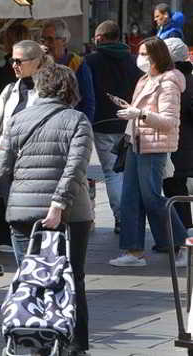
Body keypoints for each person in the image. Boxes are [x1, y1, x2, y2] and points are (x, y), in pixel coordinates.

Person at [0, 63, 93, 356]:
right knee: (72, 278)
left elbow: (2, 168)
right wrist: (59, 203)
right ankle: (74, 343)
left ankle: (33, 337)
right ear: (70, 89)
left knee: (30, 277)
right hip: (71, 215)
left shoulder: (18, 120)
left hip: (23, 214)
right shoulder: (78, 121)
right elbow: (76, 168)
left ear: (40, 87)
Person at [108, 37, 188, 268]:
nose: (139, 58)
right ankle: (133, 252)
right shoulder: (145, 79)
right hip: (137, 143)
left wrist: (139, 114)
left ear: (156, 56)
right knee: (131, 197)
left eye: (144, 54)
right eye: (139, 53)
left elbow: (169, 121)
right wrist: (131, 114)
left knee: (152, 197)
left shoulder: (168, 83)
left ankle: (183, 242)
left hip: (155, 147)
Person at [0, 40, 53, 252]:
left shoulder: (48, 89)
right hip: (6, 159)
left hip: (35, 161)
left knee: (31, 210)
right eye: (12, 60)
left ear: (36, 62)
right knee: (11, 208)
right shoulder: (10, 89)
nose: (13, 65)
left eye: (19, 61)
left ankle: (34, 249)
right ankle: (20, 247)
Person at [85, 20, 143, 234]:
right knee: (128, 172)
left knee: (112, 173)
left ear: (100, 38)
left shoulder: (90, 61)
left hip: (102, 123)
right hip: (129, 123)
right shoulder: (134, 61)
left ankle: (121, 218)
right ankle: (130, 217)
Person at [163, 38, 193, 233]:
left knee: (175, 192)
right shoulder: (187, 79)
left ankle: (183, 238)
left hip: (178, 149)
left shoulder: (174, 83)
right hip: (182, 148)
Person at [41, 19, 96, 122]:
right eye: (43, 40)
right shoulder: (39, 63)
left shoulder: (77, 64)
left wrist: (84, 128)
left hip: (70, 124)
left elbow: (88, 102)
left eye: (50, 39)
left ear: (64, 41)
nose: (46, 44)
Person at [0, 23, 30, 108]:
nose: (3, 42)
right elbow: (2, 75)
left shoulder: (17, 64)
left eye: (6, 39)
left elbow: (4, 101)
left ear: (12, 42)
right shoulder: (20, 60)